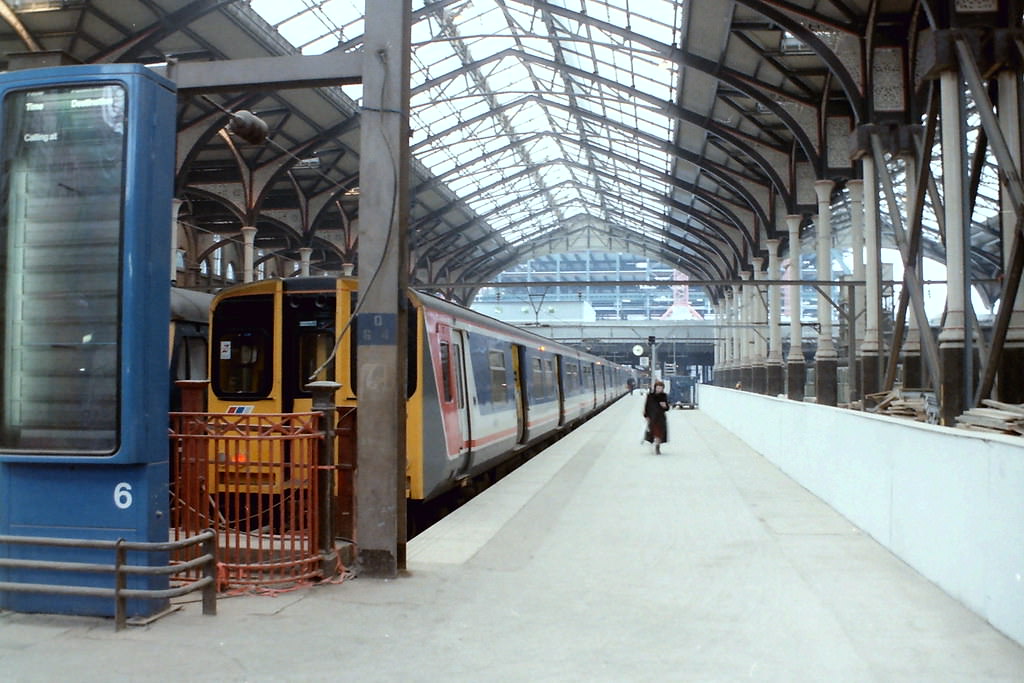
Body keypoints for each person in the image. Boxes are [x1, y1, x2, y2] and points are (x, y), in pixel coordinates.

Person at [643, 380, 670, 454]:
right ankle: (655, 444)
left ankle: (657, 446)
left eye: (660, 388)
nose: (659, 389)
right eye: (657, 388)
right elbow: (646, 406)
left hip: (661, 418)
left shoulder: (664, 396)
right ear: (655, 388)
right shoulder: (650, 396)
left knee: (659, 434)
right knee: (654, 433)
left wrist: (665, 406)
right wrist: (646, 415)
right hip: (652, 417)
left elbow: (667, 408)